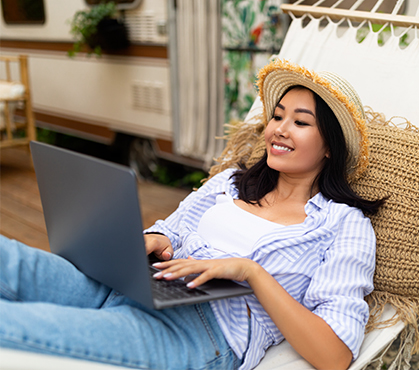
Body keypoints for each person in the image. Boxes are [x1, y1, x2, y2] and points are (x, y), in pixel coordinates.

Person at [0, 60, 384, 370]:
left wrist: (250, 272)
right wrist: (157, 240)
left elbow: (333, 357)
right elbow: (172, 229)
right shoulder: (231, 183)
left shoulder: (344, 225)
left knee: (16, 327)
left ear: (330, 147)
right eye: (277, 117)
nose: (279, 131)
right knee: (10, 259)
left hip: (200, 331)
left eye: (300, 123)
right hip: (137, 285)